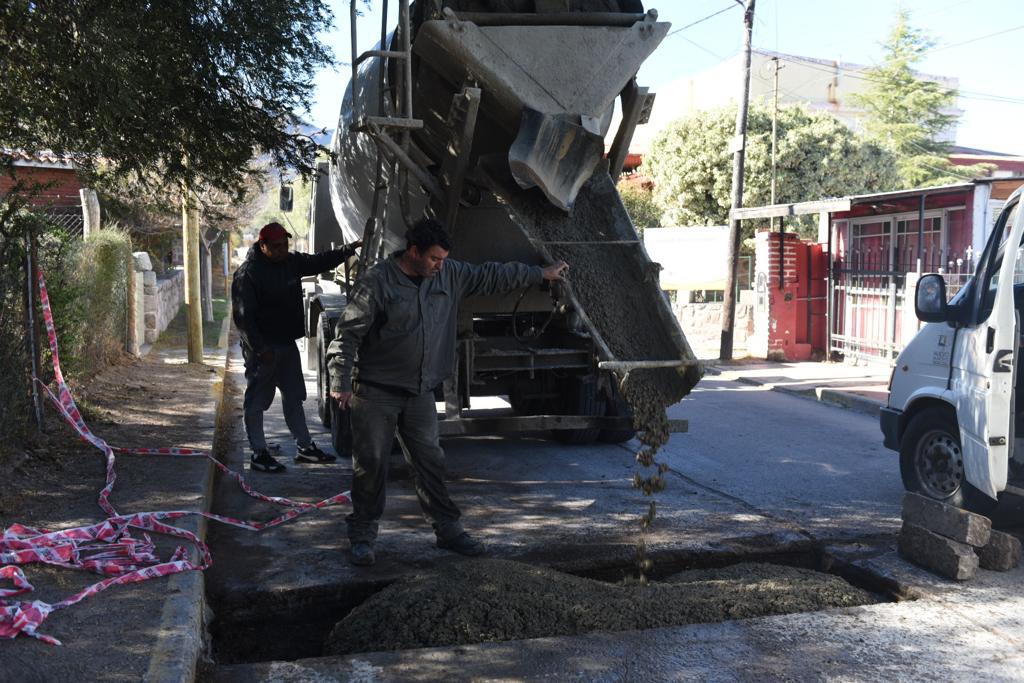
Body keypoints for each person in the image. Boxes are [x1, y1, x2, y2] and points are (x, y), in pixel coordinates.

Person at [327, 218, 568, 566]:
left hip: (420, 392)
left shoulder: (449, 274)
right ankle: (363, 536)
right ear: (414, 251)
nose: (441, 266)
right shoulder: (378, 282)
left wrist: (540, 274)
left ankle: (448, 531)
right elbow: (347, 333)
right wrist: (339, 381)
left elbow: (492, 275)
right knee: (371, 465)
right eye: (434, 259)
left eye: (443, 259)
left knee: (431, 463)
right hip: (377, 391)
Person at [232, 221, 361, 473]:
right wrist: (259, 349)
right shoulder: (248, 274)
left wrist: (347, 249)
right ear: (263, 246)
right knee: (257, 402)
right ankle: (259, 453)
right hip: (263, 350)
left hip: (286, 345)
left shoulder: (290, 262)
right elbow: (243, 318)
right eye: (277, 246)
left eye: (285, 245)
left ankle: (305, 447)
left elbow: (318, 261)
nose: (283, 250)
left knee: (294, 396)